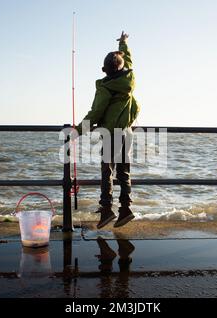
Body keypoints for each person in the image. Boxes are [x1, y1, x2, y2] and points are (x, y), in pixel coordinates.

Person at [76, 31, 140, 229]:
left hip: (111, 134)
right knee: (124, 172)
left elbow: (96, 112)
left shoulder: (105, 87)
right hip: (127, 132)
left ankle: (106, 210)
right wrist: (123, 43)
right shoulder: (129, 77)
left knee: (107, 171)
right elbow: (127, 60)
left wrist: (77, 131)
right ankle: (126, 209)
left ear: (104, 70)